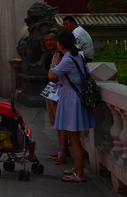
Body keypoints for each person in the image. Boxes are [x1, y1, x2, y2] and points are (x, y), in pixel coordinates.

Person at [49, 30, 96, 183]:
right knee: (74, 138)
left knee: (74, 139)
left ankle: (79, 173)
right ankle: (77, 168)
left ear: (61, 44)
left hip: (71, 99)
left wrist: (53, 62)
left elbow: (51, 75)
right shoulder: (78, 57)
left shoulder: (68, 59)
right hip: (75, 95)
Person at [43, 29, 70, 163]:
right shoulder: (49, 56)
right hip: (51, 89)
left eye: (51, 40)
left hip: (60, 90)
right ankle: (63, 149)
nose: (49, 43)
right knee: (55, 122)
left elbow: (54, 75)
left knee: (61, 122)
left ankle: (63, 152)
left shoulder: (62, 56)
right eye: (46, 40)